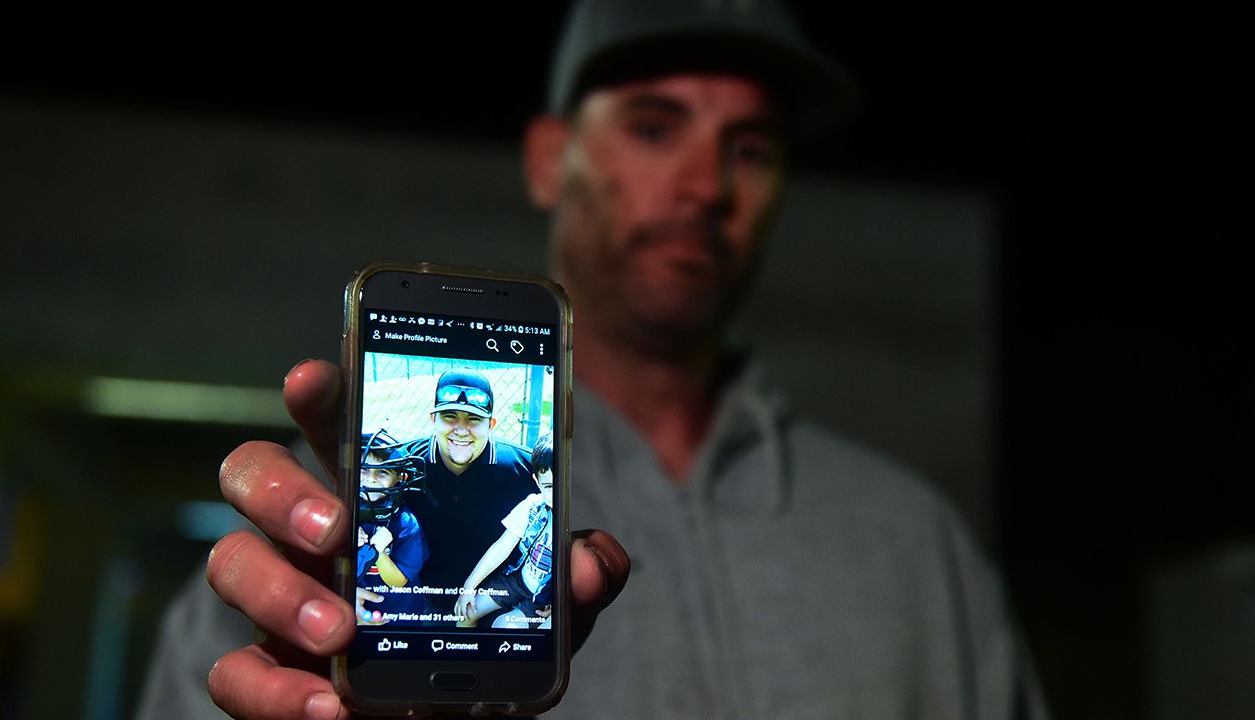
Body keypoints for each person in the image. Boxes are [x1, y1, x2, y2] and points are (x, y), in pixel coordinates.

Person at [137, 1, 1049, 718]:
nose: (705, 185)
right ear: (549, 160)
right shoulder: (316, 541)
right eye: (655, 128)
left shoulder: (916, 544)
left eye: (752, 147)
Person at [384, 369, 538, 596]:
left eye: (474, 419)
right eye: (450, 416)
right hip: (416, 593)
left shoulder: (524, 468)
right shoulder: (403, 463)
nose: (461, 429)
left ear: (491, 424)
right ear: (433, 419)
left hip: (496, 596)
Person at [455, 432, 556, 628]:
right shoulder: (532, 507)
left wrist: (561, 603)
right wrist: (469, 587)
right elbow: (501, 548)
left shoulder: (578, 518)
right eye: (550, 486)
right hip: (520, 581)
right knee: (464, 614)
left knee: (504, 626)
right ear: (537, 482)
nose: (558, 493)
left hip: (547, 596)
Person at [354, 428, 429, 625]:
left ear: (399, 478)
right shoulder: (344, 511)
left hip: (399, 616)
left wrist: (380, 552)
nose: (370, 479)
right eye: (363, 469)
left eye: (382, 472)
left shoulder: (405, 523)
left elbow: (398, 582)